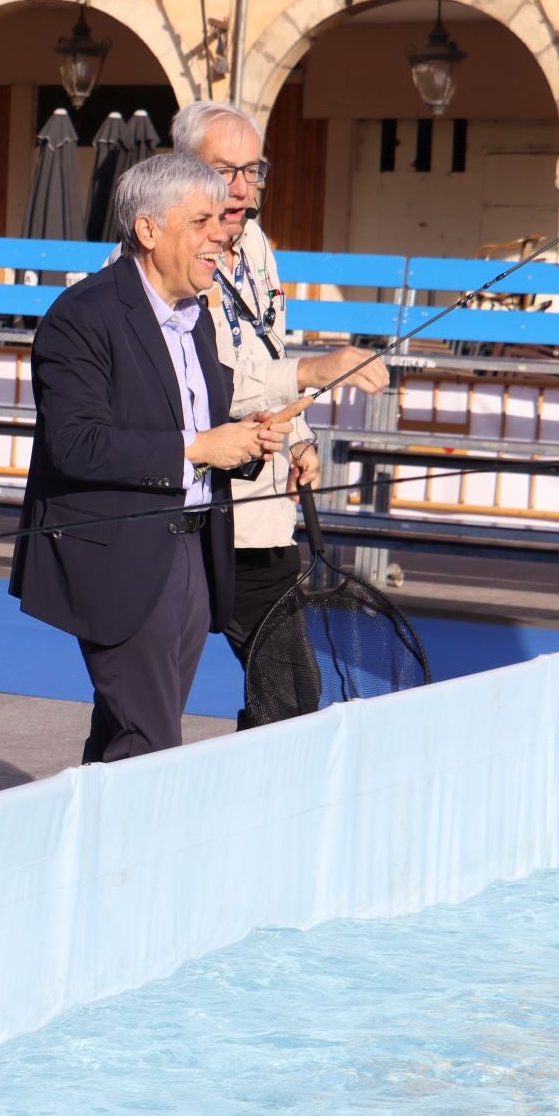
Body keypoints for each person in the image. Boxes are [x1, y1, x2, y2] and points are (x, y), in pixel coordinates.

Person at [11, 153, 288, 764]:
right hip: (120, 557)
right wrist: (199, 447)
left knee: (124, 733)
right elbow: (76, 443)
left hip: (192, 550)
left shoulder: (197, 317)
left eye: (223, 219)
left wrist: (244, 442)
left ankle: (86, 853)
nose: (223, 232)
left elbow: (201, 431)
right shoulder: (81, 316)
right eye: (203, 221)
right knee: (152, 746)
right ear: (148, 230)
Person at [164, 101, 390, 727]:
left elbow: (268, 347)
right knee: (143, 708)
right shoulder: (165, 262)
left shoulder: (257, 243)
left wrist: (300, 434)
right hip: (186, 514)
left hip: (260, 511)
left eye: (252, 170)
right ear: (184, 170)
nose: (240, 188)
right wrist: (317, 372)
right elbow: (202, 383)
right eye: (222, 170)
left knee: (292, 691)